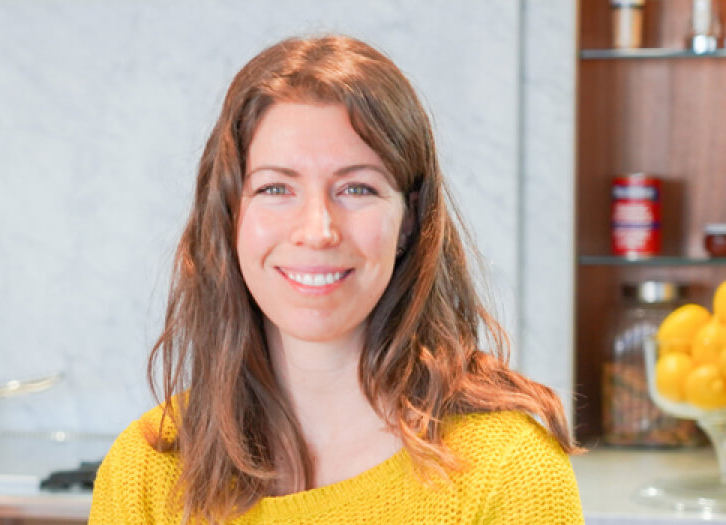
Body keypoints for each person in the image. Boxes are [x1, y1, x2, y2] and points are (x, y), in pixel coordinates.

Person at [89, 34, 584, 524]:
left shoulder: (510, 471)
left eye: (356, 188)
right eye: (276, 187)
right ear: (230, 215)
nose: (317, 231)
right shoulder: (146, 470)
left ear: (409, 220)